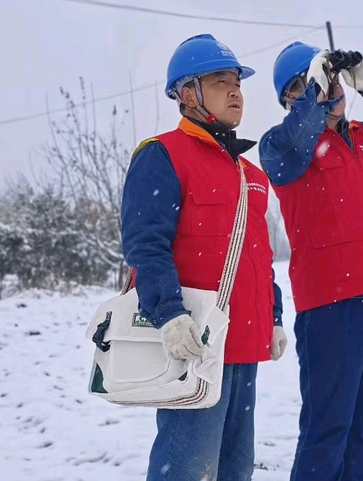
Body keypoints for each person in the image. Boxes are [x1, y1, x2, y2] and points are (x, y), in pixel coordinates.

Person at [120, 33, 288, 481]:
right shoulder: (162, 155)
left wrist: (273, 314)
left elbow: (259, 255)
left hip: (246, 344)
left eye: (237, 82)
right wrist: (168, 314)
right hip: (195, 342)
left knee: (236, 468)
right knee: (188, 468)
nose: (236, 91)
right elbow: (145, 244)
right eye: (220, 81)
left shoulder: (251, 172)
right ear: (188, 93)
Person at [258, 42, 363, 481]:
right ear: (288, 101)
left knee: (362, 425)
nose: (319, 90)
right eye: (300, 86)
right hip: (331, 307)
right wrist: (315, 90)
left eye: (323, 79)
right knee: (326, 429)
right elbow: (292, 145)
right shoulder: (283, 147)